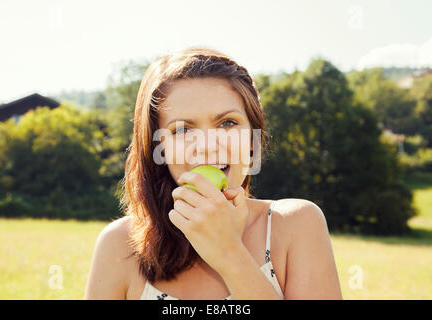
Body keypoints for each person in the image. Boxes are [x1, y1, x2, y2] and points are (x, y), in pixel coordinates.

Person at [84, 47, 342, 300]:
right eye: (183, 130)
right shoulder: (119, 246)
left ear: (252, 139)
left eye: (227, 123)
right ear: (159, 147)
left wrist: (229, 253)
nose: (208, 146)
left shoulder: (296, 225)